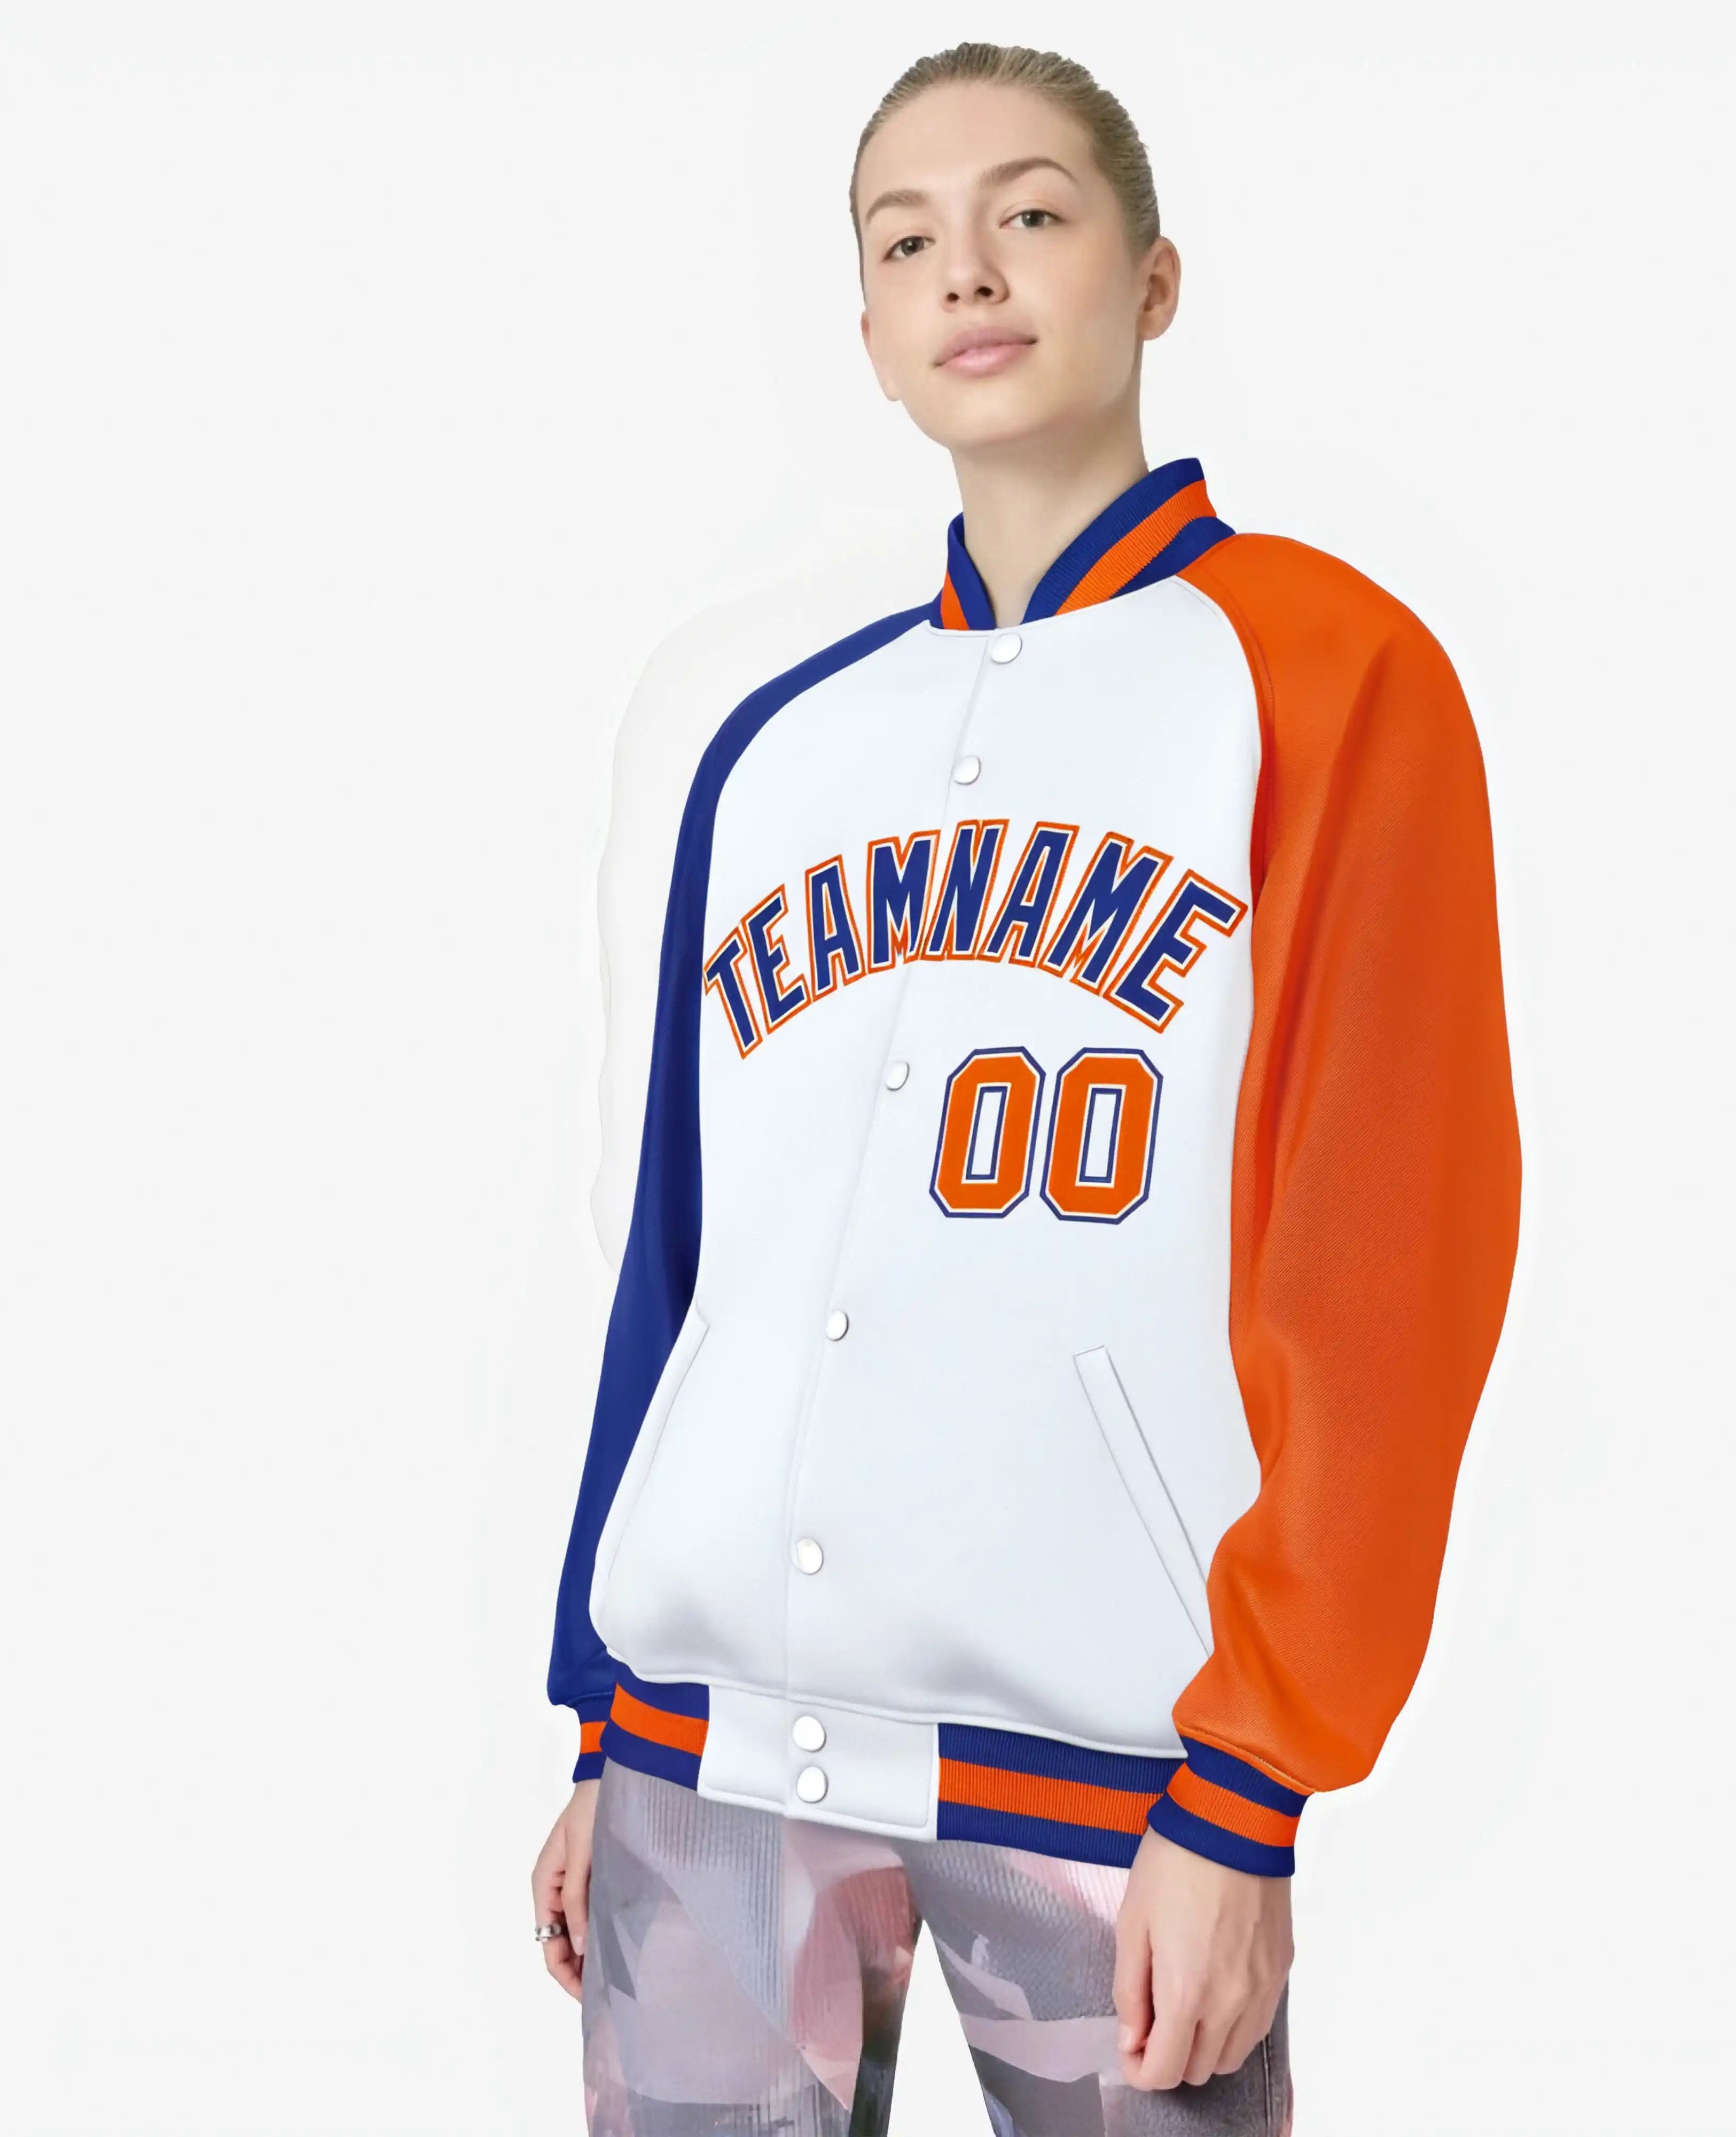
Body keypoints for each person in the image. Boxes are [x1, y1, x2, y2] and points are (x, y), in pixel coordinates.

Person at [531, 38, 1522, 2137]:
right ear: (869, 329)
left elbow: (1390, 1266)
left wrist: (1253, 1785)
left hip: (1116, 1785)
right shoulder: (774, 742)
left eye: (1032, 214)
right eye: (907, 241)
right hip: (708, 1772)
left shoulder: (1326, 676)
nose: (968, 272)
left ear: (1153, 278)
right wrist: (605, 1717)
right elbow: (687, 1261)